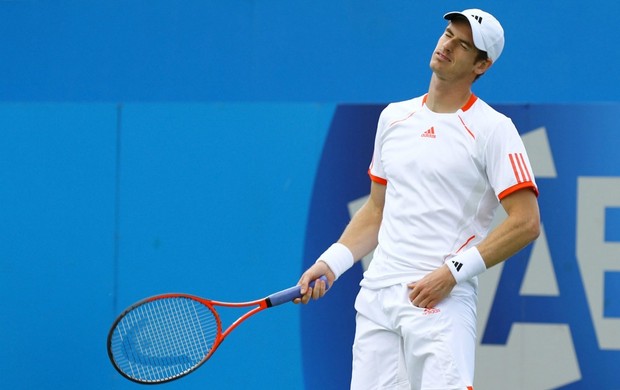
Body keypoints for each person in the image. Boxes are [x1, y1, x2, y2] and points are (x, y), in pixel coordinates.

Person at [295, 8, 541, 390]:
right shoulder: (394, 118)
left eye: (463, 46)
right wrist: (332, 262)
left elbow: (526, 222)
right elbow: (377, 209)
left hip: (440, 302)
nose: (447, 46)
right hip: (377, 298)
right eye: (448, 35)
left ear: (482, 66)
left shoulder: (494, 130)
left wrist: (453, 273)